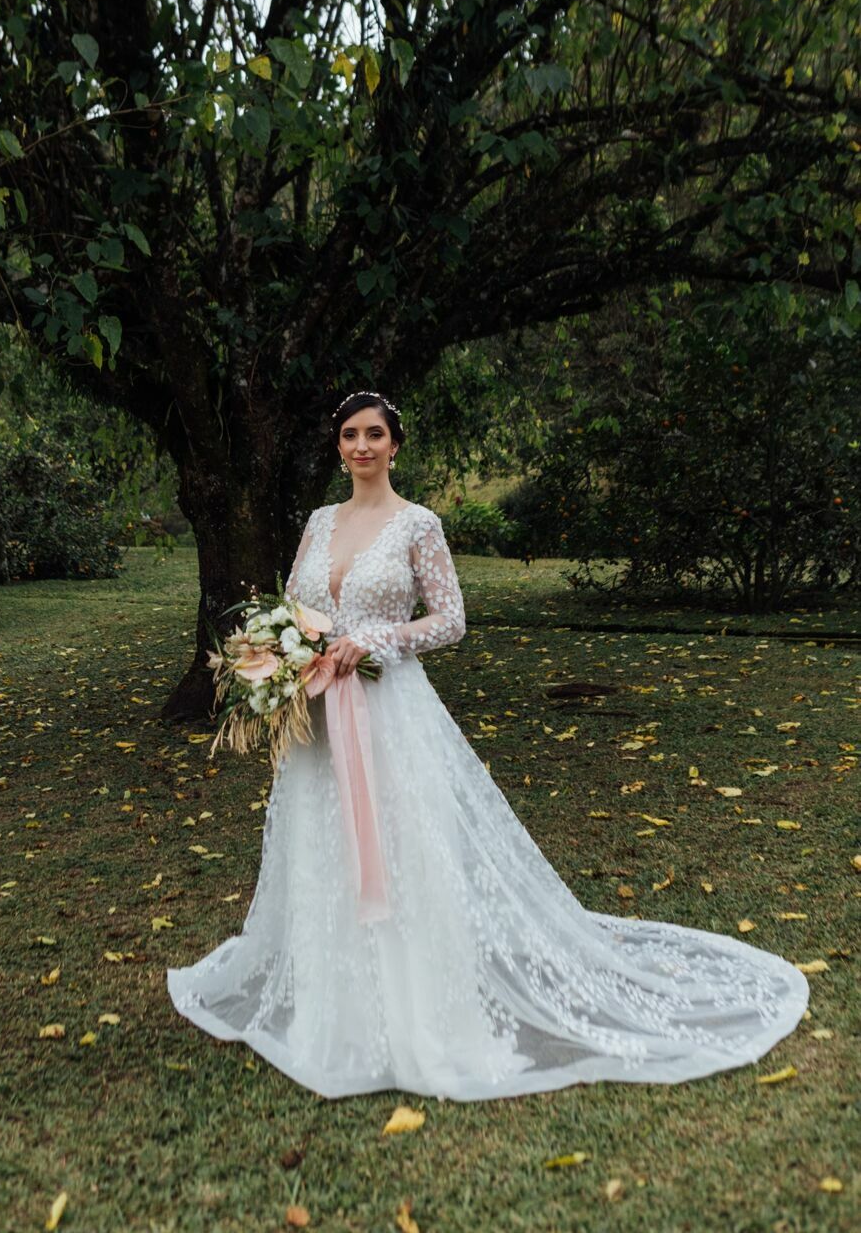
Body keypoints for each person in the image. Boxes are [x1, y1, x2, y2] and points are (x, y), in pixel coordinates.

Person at [166, 391, 810, 1101]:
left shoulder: (418, 525)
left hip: (389, 712)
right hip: (319, 716)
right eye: (348, 435)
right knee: (324, 843)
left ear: (394, 444)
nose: (360, 446)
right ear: (338, 445)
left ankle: (419, 1009)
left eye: (373, 434)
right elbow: (292, 603)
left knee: (403, 845)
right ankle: (335, 1005)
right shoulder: (319, 521)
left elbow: (451, 620)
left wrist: (376, 638)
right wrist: (286, 652)